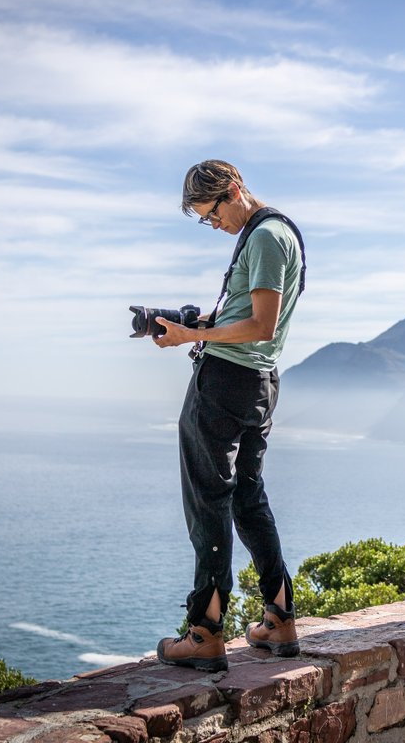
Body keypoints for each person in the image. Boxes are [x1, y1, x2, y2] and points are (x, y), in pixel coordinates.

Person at [152, 159, 306, 671]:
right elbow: (253, 318)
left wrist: (193, 337)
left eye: (211, 213)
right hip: (260, 384)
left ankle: (205, 631)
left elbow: (261, 324)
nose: (212, 225)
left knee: (208, 499)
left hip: (225, 383)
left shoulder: (264, 236)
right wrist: (194, 320)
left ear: (234, 190)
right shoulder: (278, 233)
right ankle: (279, 618)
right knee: (246, 497)